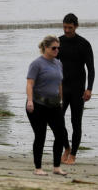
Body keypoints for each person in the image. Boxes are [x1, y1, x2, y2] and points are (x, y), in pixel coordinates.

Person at [25, 35, 69, 176]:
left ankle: (57, 167)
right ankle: (38, 168)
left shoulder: (58, 63)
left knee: (60, 134)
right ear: (45, 48)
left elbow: (59, 84)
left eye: (58, 48)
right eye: (53, 48)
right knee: (40, 135)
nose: (57, 50)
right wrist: (30, 101)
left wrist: (61, 100)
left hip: (54, 104)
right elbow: (29, 84)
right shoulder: (37, 64)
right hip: (37, 104)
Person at [58, 13, 95, 165]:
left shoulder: (84, 44)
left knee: (76, 122)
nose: (67, 30)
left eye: (70, 28)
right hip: (62, 88)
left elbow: (91, 68)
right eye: (65, 27)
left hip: (78, 89)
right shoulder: (58, 42)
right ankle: (66, 147)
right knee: (57, 121)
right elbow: (52, 65)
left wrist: (89, 89)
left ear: (76, 26)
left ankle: (73, 155)